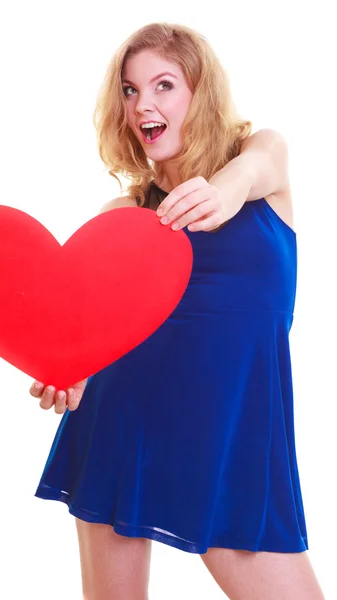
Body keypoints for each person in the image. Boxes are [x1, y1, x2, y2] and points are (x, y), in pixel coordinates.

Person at [31, 22, 325, 600]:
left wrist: (222, 189)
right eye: (130, 90)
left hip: (234, 451)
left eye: (164, 85)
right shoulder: (125, 212)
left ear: (201, 92)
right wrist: (68, 375)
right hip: (122, 429)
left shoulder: (259, 161)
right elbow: (89, 334)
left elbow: (251, 171)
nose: (144, 104)